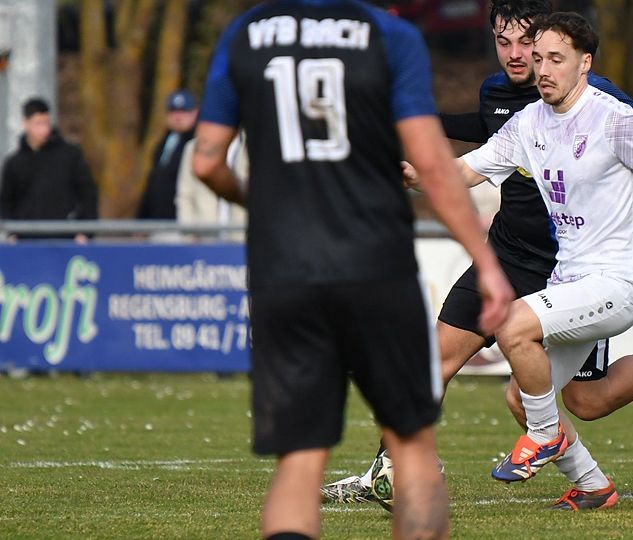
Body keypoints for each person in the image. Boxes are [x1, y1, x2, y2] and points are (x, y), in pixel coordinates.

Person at [323, 0, 633, 509]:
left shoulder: (613, 117)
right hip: (555, 275)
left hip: (614, 282)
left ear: (585, 63)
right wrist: (417, 177)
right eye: (535, 56)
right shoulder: (529, 122)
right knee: (532, 396)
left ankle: (544, 437)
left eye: (552, 57)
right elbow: (468, 169)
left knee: (519, 333)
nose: (538, 66)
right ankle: (595, 484)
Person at [192, 1, 513, 538]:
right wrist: (486, 262)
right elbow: (432, 165)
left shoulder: (246, 33)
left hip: (284, 268)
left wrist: (259, 200)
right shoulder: (390, 35)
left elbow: (206, 160)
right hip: (376, 264)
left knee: (299, 459)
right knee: (411, 446)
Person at [0, 97, 98, 241]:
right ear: (25, 124)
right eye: (38, 123)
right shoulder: (14, 163)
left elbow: (88, 194)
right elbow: (6, 202)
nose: (43, 129)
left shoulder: (70, 156)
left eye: (46, 122)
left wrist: (85, 232)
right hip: (26, 242)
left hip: (65, 239)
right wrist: (12, 233)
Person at [138, 89, 199, 220]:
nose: (177, 117)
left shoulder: (197, 144)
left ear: (195, 113)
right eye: (173, 111)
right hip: (158, 220)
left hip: (182, 218)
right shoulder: (164, 142)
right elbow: (154, 183)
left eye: (184, 111)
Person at [176, 132, 248, 241]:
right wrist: (188, 237)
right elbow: (184, 196)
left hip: (242, 241)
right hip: (204, 240)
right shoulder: (193, 148)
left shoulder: (256, 147)